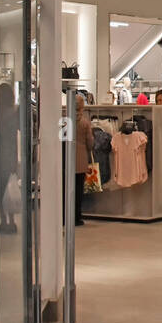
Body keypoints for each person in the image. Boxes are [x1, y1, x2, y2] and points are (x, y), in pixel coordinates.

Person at [73, 93, 91, 226]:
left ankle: (65, 214)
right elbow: (90, 142)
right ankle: (76, 216)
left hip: (66, 159)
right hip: (80, 159)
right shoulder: (85, 123)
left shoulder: (65, 121)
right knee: (78, 189)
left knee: (66, 188)